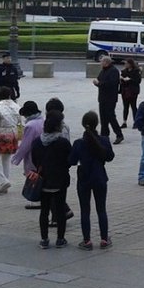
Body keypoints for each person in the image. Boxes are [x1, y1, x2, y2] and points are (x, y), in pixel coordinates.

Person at [69, 111, 116, 250]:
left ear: (83, 125)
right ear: (97, 124)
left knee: (85, 210)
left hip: (84, 178)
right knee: (101, 209)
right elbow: (110, 157)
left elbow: (71, 161)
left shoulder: (79, 143)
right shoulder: (104, 140)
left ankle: (87, 240)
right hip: (100, 177)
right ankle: (104, 239)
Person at [30, 111, 73, 249]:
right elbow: (70, 160)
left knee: (44, 210)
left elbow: (34, 160)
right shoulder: (63, 143)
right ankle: (60, 239)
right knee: (60, 210)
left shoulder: (37, 142)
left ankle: (44, 239)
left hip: (43, 180)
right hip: (60, 180)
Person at [93, 55, 124, 144]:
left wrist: (99, 84)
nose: (100, 64)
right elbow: (100, 79)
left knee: (111, 117)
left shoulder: (113, 71)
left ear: (106, 62)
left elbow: (111, 84)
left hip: (110, 98)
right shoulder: (103, 70)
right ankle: (104, 135)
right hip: (102, 98)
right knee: (103, 118)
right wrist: (97, 83)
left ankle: (119, 134)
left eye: (102, 62)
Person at [11, 101, 44, 178]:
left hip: (33, 155)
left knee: (32, 179)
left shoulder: (30, 125)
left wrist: (15, 159)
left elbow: (25, 145)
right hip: (44, 155)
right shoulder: (43, 120)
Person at [119, 58, 142, 129]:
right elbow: (121, 81)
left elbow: (138, 81)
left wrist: (130, 80)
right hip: (125, 91)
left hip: (133, 91)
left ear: (130, 64)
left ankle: (136, 122)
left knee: (133, 106)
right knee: (125, 107)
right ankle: (124, 122)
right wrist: (122, 79)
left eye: (126, 63)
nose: (125, 65)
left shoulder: (136, 71)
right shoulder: (123, 71)